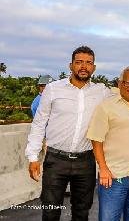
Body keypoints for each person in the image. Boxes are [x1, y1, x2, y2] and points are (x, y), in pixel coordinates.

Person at [25, 46, 112, 220]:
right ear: (70, 65)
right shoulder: (53, 89)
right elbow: (39, 123)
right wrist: (33, 157)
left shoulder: (102, 92)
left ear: (94, 68)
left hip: (86, 161)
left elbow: (126, 97)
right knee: (50, 211)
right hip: (56, 161)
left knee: (82, 212)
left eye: (88, 63)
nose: (83, 66)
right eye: (79, 62)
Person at [86, 65, 129, 221]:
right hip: (114, 176)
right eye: (128, 83)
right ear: (120, 83)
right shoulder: (107, 107)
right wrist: (103, 168)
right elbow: (96, 139)